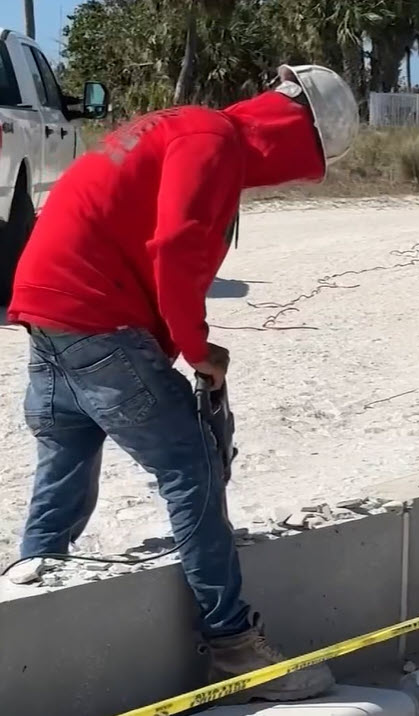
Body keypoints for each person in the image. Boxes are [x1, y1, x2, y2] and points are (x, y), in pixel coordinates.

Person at [5, 65, 358, 704]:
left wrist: (177, 346)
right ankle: (233, 643)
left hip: (46, 307)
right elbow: (174, 248)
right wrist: (198, 351)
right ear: (297, 135)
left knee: (67, 455)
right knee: (192, 465)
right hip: (94, 313)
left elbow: (138, 232)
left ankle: (26, 617)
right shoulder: (213, 141)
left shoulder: (184, 126)